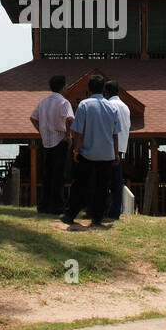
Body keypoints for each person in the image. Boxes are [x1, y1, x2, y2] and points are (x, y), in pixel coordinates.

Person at [60, 76, 120, 228]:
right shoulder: (112, 107)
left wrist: (76, 149)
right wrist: (116, 153)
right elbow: (115, 133)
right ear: (103, 90)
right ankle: (97, 218)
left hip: (87, 152)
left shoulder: (84, 105)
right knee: (102, 187)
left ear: (89, 89)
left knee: (80, 185)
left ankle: (70, 214)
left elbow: (78, 131)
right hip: (106, 153)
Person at [30, 74, 74, 215]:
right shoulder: (64, 102)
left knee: (47, 174)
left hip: (47, 141)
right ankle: (58, 206)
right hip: (59, 140)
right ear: (63, 87)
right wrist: (68, 135)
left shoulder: (43, 101)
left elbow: (33, 117)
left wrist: (41, 131)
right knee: (59, 175)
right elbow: (70, 118)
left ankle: (43, 205)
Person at [103, 80, 131, 220]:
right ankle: (115, 211)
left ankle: (102, 210)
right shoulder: (125, 107)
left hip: (108, 148)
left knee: (103, 181)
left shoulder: (108, 105)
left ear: (106, 92)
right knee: (117, 182)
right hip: (121, 149)